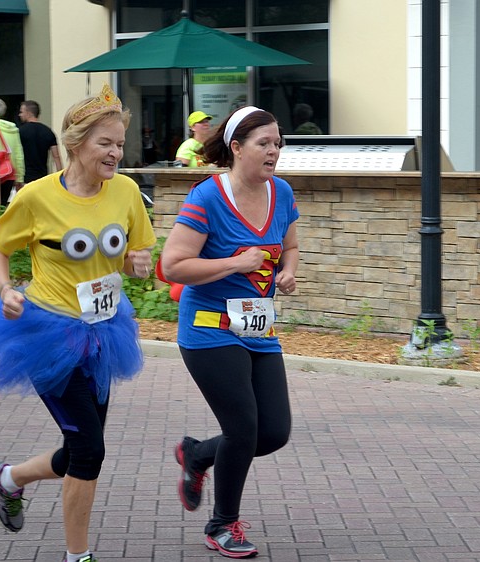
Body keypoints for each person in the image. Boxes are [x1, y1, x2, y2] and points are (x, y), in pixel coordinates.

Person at [0, 83, 156, 562]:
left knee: (81, 447)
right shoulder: (37, 197)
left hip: (104, 333)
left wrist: (136, 263)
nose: (116, 153)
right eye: (105, 143)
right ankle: (78, 556)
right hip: (48, 334)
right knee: (90, 449)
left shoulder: (126, 192)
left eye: (120, 144)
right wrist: (5, 290)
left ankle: (8, 478)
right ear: (76, 143)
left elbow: (131, 257)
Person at [160, 106, 299, 559]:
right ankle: (222, 526)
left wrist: (288, 271)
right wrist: (234, 264)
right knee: (242, 428)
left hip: (257, 327)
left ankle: (198, 455)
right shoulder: (207, 197)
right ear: (236, 148)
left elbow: (291, 245)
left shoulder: (281, 192)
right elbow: (173, 265)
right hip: (208, 329)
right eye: (264, 143)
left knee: (272, 432)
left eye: (278, 143)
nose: (274, 151)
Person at [18, 100, 63, 183]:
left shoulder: (20, 131)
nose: (20, 115)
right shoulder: (48, 131)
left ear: (28, 113)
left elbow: (16, 154)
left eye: (21, 112)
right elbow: (56, 157)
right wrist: (60, 178)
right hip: (43, 178)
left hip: (25, 178)